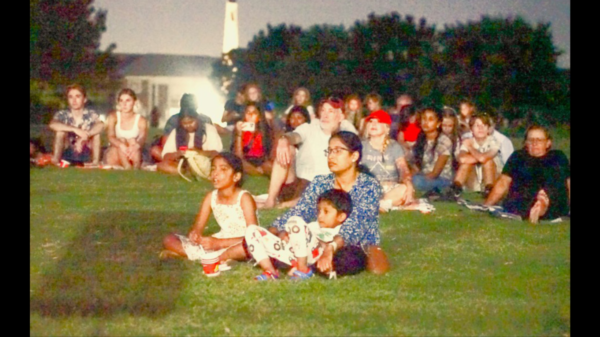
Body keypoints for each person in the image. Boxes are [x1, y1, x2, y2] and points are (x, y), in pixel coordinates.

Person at [267, 131, 389, 277]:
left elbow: (358, 223)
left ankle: (305, 264)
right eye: (329, 151)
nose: (331, 156)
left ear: (354, 156)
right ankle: (309, 263)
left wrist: (331, 247)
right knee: (275, 242)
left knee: (347, 259)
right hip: (318, 239)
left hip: (351, 243)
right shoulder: (321, 182)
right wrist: (277, 230)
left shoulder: (369, 185)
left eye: (338, 151)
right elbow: (301, 210)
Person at [160, 153, 257, 274]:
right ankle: (213, 257)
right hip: (219, 240)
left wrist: (219, 243)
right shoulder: (211, 197)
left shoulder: (244, 198)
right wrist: (195, 235)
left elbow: (254, 236)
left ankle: (214, 258)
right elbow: (198, 227)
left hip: (241, 242)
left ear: (236, 176)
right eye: (213, 169)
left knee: (246, 248)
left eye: (223, 169)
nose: (215, 174)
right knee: (169, 239)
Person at [259, 97, 357, 209]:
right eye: (323, 110)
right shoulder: (310, 127)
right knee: (288, 149)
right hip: (298, 182)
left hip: (323, 186)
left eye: (330, 111)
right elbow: (294, 136)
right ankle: (271, 200)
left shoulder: (347, 132)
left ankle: (291, 204)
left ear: (341, 116)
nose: (325, 115)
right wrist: (284, 139)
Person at [245, 189, 352, 280]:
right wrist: (287, 236)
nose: (320, 216)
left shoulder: (339, 232)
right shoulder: (313, 225)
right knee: (252, 230)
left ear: (341, 217)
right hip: (291, 254)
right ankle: (270, 271)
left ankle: (303, 269)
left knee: (295, 221)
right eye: (319, 211)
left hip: (314, 256)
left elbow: (330, 248)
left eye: (326, 212)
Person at [483, 125, 570, 223]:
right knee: (523, 190)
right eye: (531, 140)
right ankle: (539, 206)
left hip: (553, 199)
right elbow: (503, 182)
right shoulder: (518, 157)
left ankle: (542, 203)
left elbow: (568, 183)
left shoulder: (558, 157)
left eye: (539, 140)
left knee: (554, 182)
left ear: (548, 143)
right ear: (525, 143)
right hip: (524, 200)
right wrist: (487, 205)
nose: (534, 143)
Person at [360, 110, 415, 212]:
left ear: (387, 128)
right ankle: (382, 205)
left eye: (378, 122)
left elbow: (403, 168)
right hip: (368, 188)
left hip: (389, 189)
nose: (374, 125)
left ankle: (378, 205)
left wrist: (408, 183)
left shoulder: (394, 147)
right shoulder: (361, 146)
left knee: (403, 190)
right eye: (371, 121)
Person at [157, 98, 223, 175]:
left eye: (191, 122)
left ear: (197, 119)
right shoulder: (176, 132)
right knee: (162, 166)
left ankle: (194, 173)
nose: (188, 125)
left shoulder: (209, 129)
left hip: (204, 165)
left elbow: (216, 153)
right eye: (185, 123)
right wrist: (179, 153)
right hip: (183, 165)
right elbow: (166, 156)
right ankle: (187, 173)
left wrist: (198, 152)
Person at [448, 113, 504, 199]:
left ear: (488, 129)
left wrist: (470, 148)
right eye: (477, 125)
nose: (480, 128)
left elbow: (484, 158)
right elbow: (462, 158)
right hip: (474, 179)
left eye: (484, 125)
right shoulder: (468, 140)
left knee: (488, 162)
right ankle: (456, 187)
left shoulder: (494, 142)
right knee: (466, 164)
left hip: (493, 176)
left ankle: (489, 189)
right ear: (471, 129)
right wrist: (479, 158)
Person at [49, 84, 104, 166]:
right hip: (68, 149)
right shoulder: (63, 114)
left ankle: (95, 162)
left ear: (84, 99)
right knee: (60, 132)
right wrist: (74, 129)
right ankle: (56, 160)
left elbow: (101, 125)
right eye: (71, 97)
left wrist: (86, 136)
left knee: (96, 135)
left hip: (86, 150)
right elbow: (52, 124)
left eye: (77, 96)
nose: (74, 100)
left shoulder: (91, 114)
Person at [149, 94, 213, 163]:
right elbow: (166, 145)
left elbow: (211, 145)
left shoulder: (205, 120)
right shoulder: (174, 120)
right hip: (179, 154)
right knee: (155, 151)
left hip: (199, 155)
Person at [411, 107, 455, 197]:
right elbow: (417, 166)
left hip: (441, 179)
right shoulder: (421, 139)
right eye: (424, 119)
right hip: (423, 176)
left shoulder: (444, 141)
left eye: (430, 120)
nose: (426, 123)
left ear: (438, 123)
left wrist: (413, 180)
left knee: (417, 181)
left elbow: (435, 173)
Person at [103, 88, 148, 169]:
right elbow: (111, 137)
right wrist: (121, 145)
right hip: (115, 152)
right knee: (122, 140)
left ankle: (135, 166)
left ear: (134, 102)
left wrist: (135, 146)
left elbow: (142, 137)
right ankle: (126, 166)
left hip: (132, 152)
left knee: (132, 140)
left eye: (128, 101)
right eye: (121, 101)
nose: (124, 104)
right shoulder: (113, 117)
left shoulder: (141, 120)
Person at [232, 102, 274, 176]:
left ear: (259, 117)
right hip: (245, 160)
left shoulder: (264, 131)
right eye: (248, 113)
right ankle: (256, 172)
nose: (250, 115)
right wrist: (239, 134)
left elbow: (268, 152)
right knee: (240, 163)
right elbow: (238, 155)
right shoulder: (240, 129)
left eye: (254, 113)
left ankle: (257, 171)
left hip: (260, 160)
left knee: (269, 165)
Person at [441, 106, 461, 172]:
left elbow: (457, 155)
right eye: (444, 125)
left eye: (450, 126)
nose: (446, 129)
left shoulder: (456, 138)